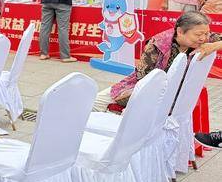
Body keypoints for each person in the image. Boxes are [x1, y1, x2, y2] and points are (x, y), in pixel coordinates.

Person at [94, 11, 222, 112]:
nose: (203, 38)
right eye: (198, 35)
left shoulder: (205, 38)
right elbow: (142, 78)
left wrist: (214, 46)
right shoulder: (158, 44)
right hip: (148, 88)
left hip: (178, 95)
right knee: (95, 103)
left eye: (206, 33)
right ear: (180, 31)